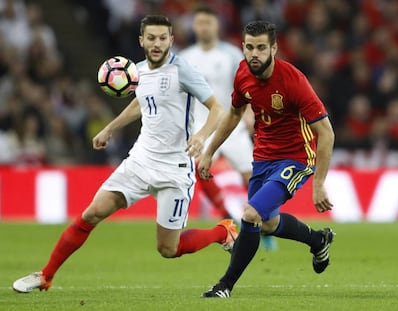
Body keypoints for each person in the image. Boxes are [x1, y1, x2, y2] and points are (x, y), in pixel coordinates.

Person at [12, 15, 237, 293]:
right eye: (151, 38)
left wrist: (202, 136)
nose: (157, 44)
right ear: (141, 40)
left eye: (162, 38)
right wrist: (109, 129)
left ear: (171, 40)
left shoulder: (183, 71)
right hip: (140, 161)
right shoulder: (136, 71)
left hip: (174, 169)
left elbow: (217, 108)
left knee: (169, 249)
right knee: (92, 213)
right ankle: (45, 275)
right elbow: (139, 104)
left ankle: (222, 232)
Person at [198, 20, 335, 298]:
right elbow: (235, 114)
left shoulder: (293, 81)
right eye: (249, 47)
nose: (254, 54)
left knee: (251, 215)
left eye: (261, 47)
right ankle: (317, 239)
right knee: (268, 224)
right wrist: (210, 151)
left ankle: (224, 286)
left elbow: (326, 132)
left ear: (274, 48)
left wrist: (319, 183)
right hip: (262, 157)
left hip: (296, 158)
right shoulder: (243, 74)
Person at [180, 6, 277, 251]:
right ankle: (228, 217)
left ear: (217, 26)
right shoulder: (185, 57)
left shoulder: (233, 54)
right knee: (201, 169)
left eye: (208, 23)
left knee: (251, 177)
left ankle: (265, 226)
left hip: (231, 124)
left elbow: (251, 84)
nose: (204, 27)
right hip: (201, 126)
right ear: (194, 26)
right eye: (200, 23)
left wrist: (249, 112)